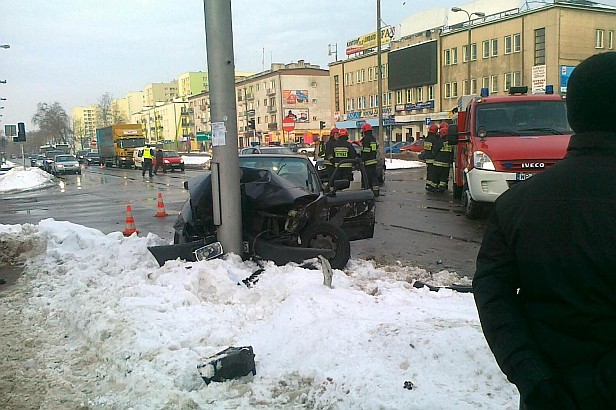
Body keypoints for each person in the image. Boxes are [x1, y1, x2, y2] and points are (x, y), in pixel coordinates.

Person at [473, 52, 616, 410]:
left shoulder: (516, 203)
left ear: (571, 114)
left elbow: (493, 294)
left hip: (546, 396)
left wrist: (533, 375)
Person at [431, 122, 453, 193]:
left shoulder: (440, 141)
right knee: (444, 176)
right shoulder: (451, 141)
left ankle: (434, 187)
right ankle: (442, 187)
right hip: (446, 163)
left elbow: (435, 150)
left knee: (436, 176)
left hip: (438, 163)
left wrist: (434, 155)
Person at [360, 123, 379, 195]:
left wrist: (362, 159)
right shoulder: (373, 139)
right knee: (374, 178)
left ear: (364, 131)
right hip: (373, 162)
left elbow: (366, 152)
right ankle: (375, 191)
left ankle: (366, 193)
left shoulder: (366, 140)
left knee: (366, 179)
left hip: (367, 163)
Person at [421, 123, 439, 192]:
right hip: (433, 159)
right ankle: (432, 186)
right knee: (433, 173)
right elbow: (435, 149)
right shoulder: (434, 139)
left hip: (428, 158)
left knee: (429, 172)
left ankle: (428, 184)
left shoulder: (427, 138)